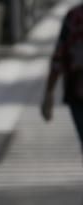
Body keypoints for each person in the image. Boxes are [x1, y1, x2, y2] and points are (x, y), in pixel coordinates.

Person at [43, 2, 83, 145]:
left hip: (77, 92)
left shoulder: (74, 16)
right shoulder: (74, 16)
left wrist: (49, 92)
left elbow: (59, 57)